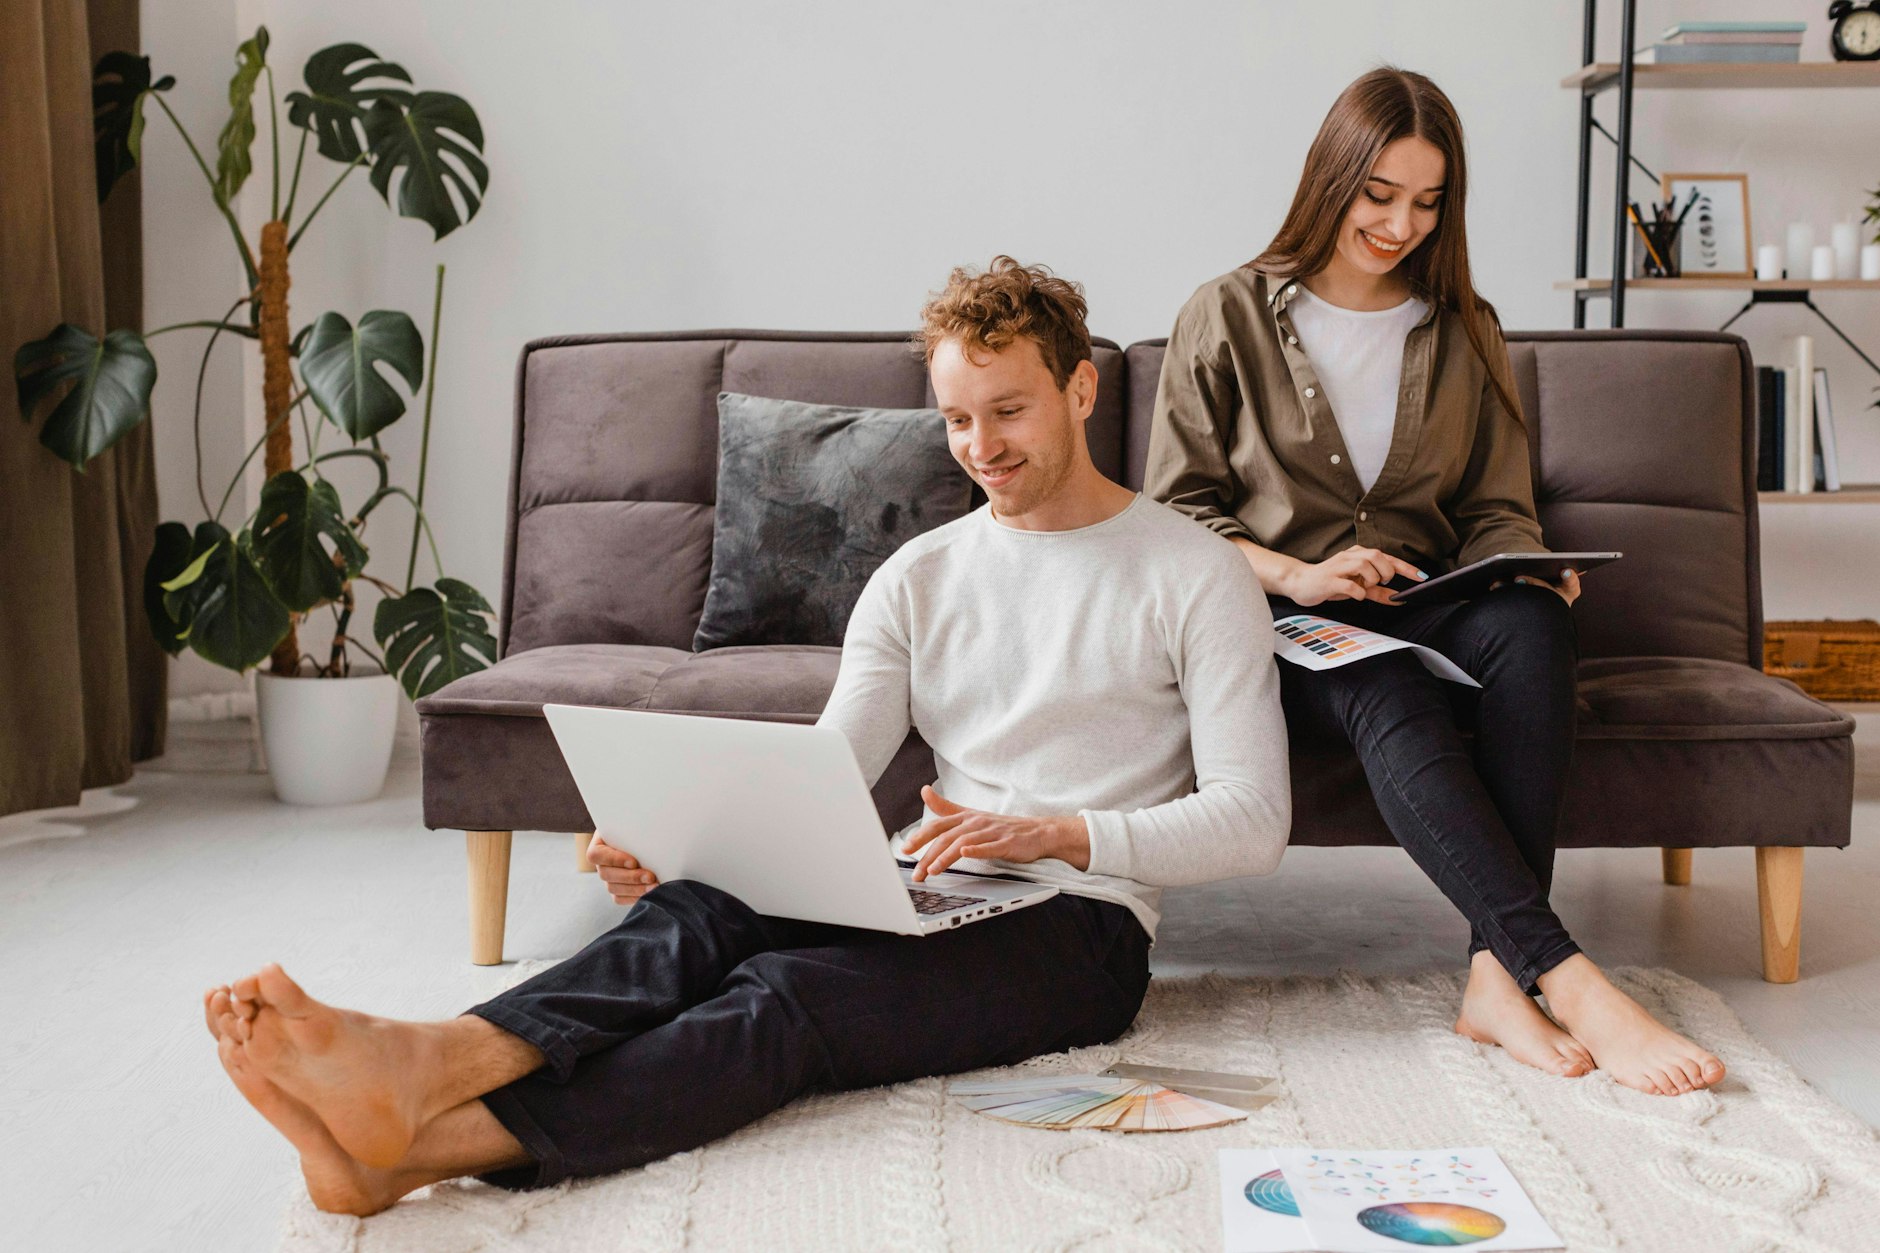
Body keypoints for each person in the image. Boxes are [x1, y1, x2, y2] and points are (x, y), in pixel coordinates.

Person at [203, 256, 1292, 1215]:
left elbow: (1253, 820)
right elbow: (824, 769)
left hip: (1080, 930)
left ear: (1081, 388)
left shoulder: (1193, 571)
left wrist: (1056, 832)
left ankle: (428, 1141)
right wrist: (683, 848)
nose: (980, 447)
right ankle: (432, 1064)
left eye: (1007, 411)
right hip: (921, 884)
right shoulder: (919, 575)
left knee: (786, 999)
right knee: (697, 914)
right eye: (957, 420)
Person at [1144, 67, 1724, 1097]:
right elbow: (1176, 515)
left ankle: (1495, 977)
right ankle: (1566, 975)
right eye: (1377, 194)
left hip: (1423, 600)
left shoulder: (1463, 326)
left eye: (1426, 201)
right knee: (1382, 674)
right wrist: (1300, 572)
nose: (1400, 225)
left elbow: (1497, 504)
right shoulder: (1225, 314)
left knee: (1531, 626)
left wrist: (1531, 569)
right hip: (1276, 616)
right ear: (1330, 177)